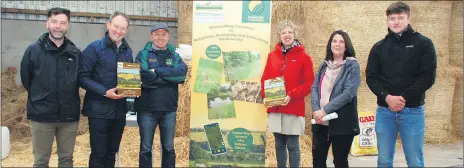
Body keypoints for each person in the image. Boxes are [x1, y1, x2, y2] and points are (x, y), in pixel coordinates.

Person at [365, 2, 437, 167]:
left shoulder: (423, 43)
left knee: (414, 161)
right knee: (383, 161)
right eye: (392, 18)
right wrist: (387, 98)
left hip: (412, 112)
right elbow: (371, 78)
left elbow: (427, 77)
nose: (396, 22)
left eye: (400, 18)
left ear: (408, 18)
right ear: (387, 21)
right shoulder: (378, 47)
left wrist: (403, 98)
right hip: (385, 112)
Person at [20, 7, 81, 167]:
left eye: (62, 23)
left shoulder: (74, 53)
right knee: (41, 161)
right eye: (54, 22)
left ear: (68, 26)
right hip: (41, 116)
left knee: (66, 160)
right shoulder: (33, 50)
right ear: (47, 23)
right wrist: (41, 97)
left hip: (68, 117)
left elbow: (80, 79)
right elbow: (27, 80)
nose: (58, 26)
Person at [78, 11, 133, 167]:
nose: (119, 31)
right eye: (116, 26)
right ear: (108, 25)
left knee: (111, 152)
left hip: (119, 110)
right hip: (98, 110)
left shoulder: (127, 50)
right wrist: (104, 91)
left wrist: (132, 87)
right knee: (98, 153)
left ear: (126, 30)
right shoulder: (94, 48)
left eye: (123, 28)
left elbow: (129, 77)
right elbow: (82, 77)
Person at [260, 20, 314, 168]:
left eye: (290, 32)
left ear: (294, 35)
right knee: (278, 144)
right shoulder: (272, 56)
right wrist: (267, 97)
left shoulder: (304, 57)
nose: (287, 35)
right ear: (279, 36)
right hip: (275, 107)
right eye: (283, 32)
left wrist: (292, 94)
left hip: (293, 107)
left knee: (292, 144)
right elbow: (265, 78)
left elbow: (309, 83)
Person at [133, 23, 187, 168]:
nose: (160, 37)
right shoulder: (143, 54)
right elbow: (143, 78)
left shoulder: (175, 55)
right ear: (152, 36)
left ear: (168, 36)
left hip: (169, 109)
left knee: (169, 148)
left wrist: (156, 71)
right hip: (146, 110)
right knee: (145, 148)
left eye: (164, 34)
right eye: (157, 34)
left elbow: (181, 76)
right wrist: (169, 77)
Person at [310, 30, 361, 168]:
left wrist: (325, 110)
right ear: (330, 44)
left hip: (342, 122)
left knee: (340, 161)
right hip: (320, 122)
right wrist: (316, 110)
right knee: (318, 160)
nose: (337, 44)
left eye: (341, 41)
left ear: (346, 46)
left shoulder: (352, 65)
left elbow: (348, 93)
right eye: (334, 41)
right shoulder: (324, 65)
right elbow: (314, 88)